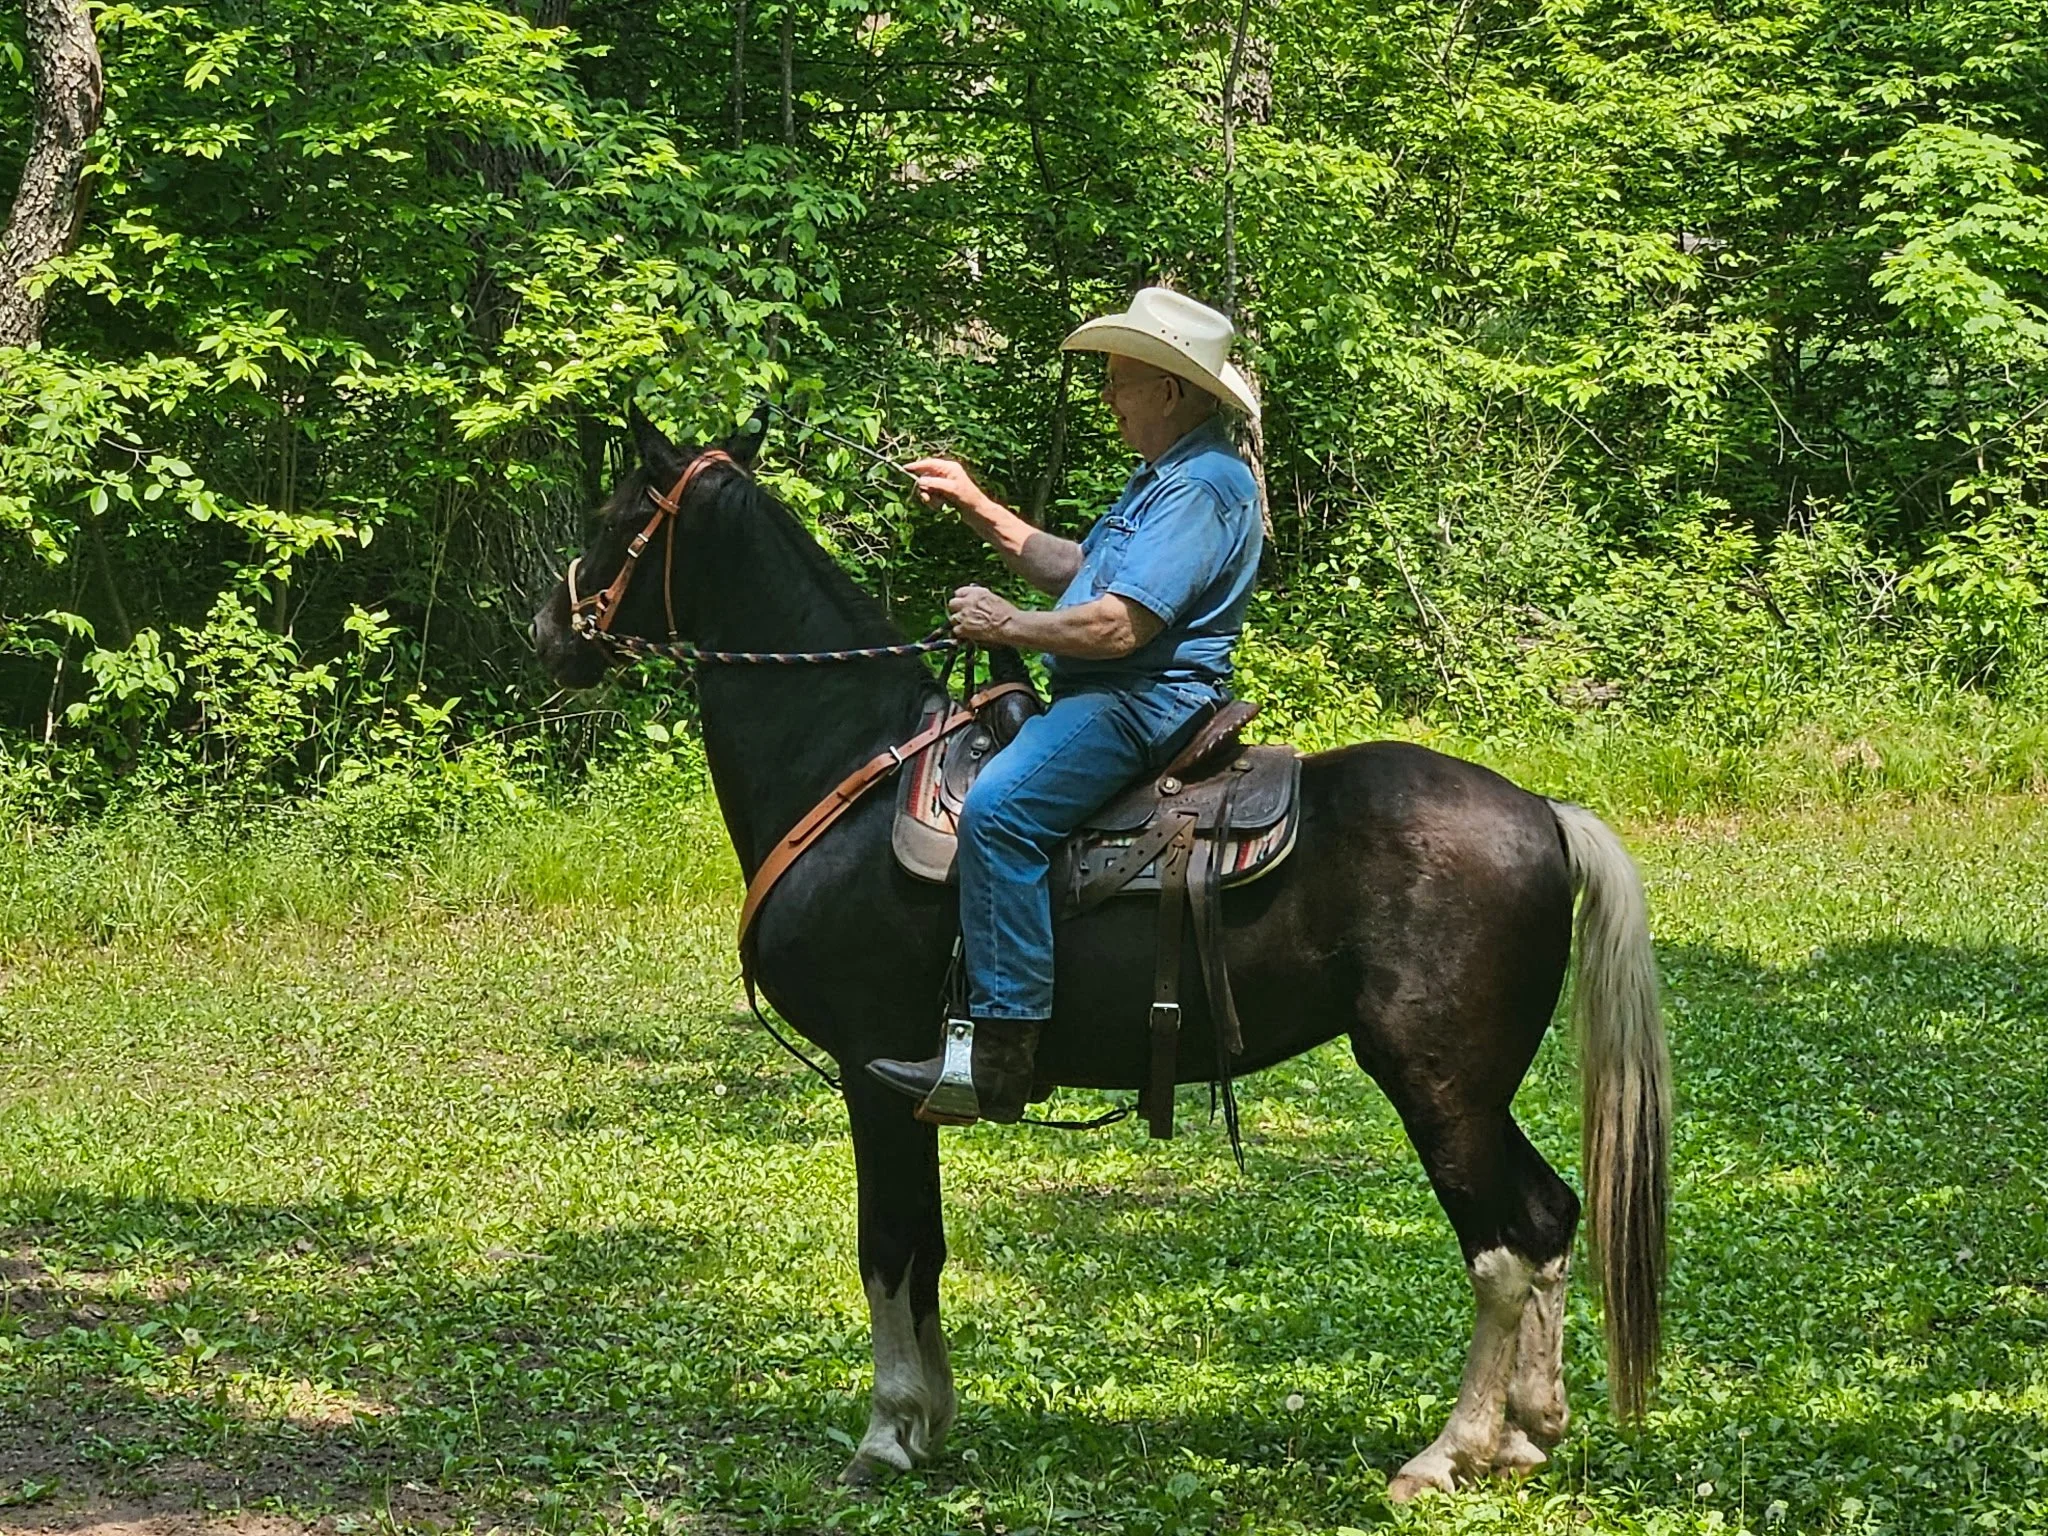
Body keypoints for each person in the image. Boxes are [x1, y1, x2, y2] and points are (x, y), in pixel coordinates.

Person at [866, 286, 1265, 1125]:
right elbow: (1082, 567)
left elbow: (1122, 625)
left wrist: (1007, 623)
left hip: (1140, 700)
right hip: (1118, 690)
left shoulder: (1203, 487)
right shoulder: (1166, 477)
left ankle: (1002, 1052)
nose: (1109, 397)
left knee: (1001, 811)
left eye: (1120, 380)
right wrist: (976, 506)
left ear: (1170, 390)